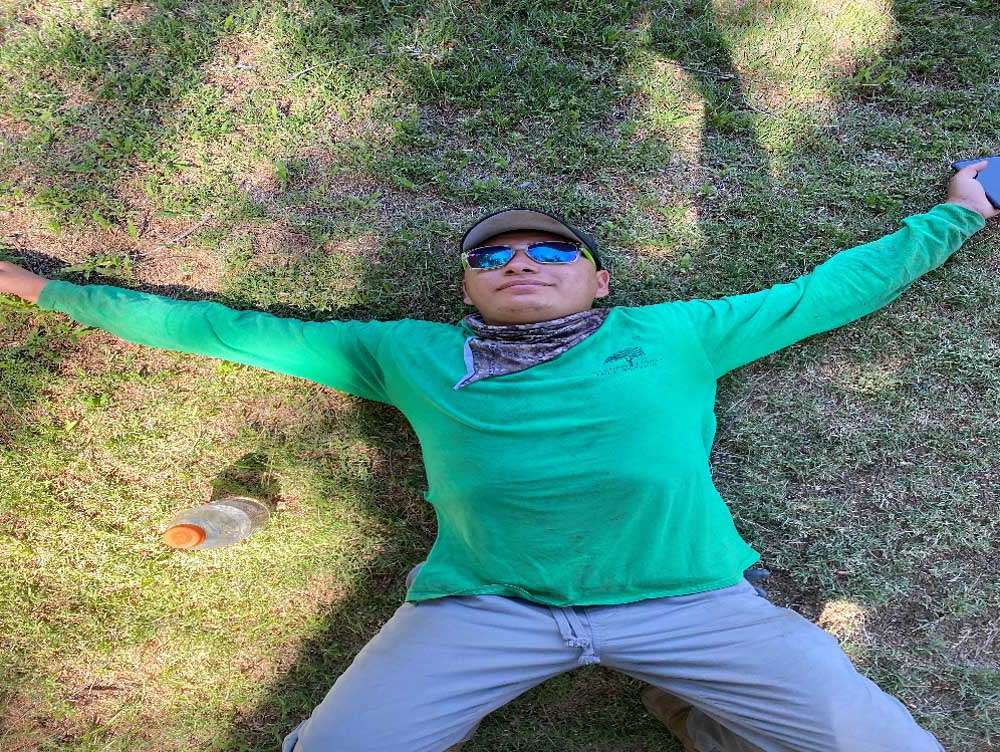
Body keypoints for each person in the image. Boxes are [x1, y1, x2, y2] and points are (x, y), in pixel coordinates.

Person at [1, 161, 994, 752]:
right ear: (469, 289)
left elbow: (829, 291)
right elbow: (223, 330)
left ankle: (703, 710)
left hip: (691, 601)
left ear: (598, 281)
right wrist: (38, 288)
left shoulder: (678, 333)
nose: (520, 261)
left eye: (551, 251)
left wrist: (959, 212)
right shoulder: (407, 353)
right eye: (493, 256)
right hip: (484, 609)